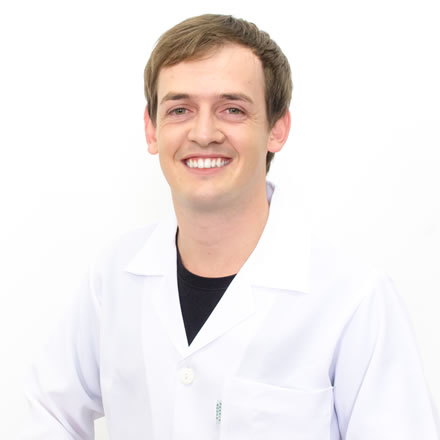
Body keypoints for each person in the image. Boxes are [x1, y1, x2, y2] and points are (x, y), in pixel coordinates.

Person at [20, 14, 439, 440]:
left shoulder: (353, 300)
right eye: (180, 109)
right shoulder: (113, 277)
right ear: (151, 129)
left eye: (232, 109)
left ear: (277, 128)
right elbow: (49, 414)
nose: (204, 133)